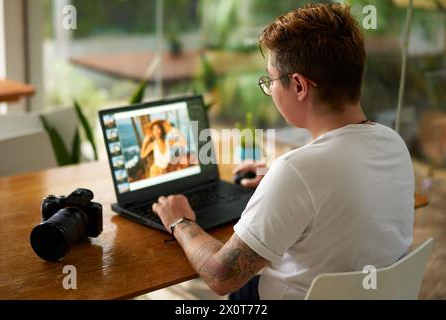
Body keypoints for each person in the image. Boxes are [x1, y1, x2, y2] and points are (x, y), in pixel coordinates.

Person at [151, 3, 414, 299]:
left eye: (271, 80)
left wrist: (180, 221)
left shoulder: (296, 172)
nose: (270, 89)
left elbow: (220, 276)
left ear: (299, 86)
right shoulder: (392, 143)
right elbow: (340, 184)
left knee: (182, 291)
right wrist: (277, 180)